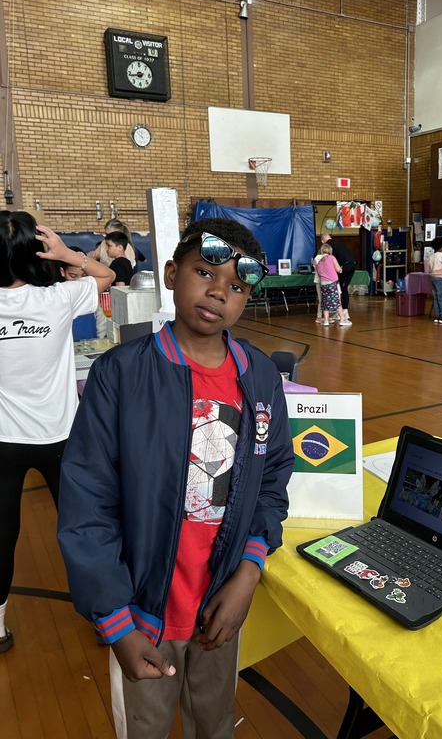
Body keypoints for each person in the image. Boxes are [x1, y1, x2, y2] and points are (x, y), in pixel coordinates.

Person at [57, 217, 295, 738]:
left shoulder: (259, 376)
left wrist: (249, 571)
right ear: (170, 272)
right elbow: (87, 502)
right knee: (145, 728)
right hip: (141, 613)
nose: (218, 291)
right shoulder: (120, 374)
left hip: (220, 608)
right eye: (205, 272)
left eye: (236, 285)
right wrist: (114, 618)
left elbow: (274, 475)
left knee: (214, 727)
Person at [0, 211, 115, 654]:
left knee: (1, 535)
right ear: (36, 252)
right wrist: (70, 254)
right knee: (84, 530)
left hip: (3, 442)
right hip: (60, 438)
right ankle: (108, 619)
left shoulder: (57, 297)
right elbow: (106, 274)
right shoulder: (59, 298)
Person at [59, 246, 108, 339]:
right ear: (62, 272)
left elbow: (101, 323)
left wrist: (99, 342)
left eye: (84, 276)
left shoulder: (89, 293)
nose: (79, 281)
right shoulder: (57, 295)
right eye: (73, 276)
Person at [320, 231, 356, 321]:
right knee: (344, 288)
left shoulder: (326, 246)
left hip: (345, 266)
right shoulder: (339, 244)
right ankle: (344, 311)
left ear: (322, 241)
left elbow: (324, 259)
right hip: (353, 264)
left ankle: (341, 312)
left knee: (340, 289)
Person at [316, 244, 351, 327]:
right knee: (337, 301)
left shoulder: (317, 260)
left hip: (323, 283)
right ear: (330, 251)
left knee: (325, 302)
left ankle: (326, 320)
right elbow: (338, 269)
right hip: (332, 283)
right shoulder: (332, 258)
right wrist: (341, 269)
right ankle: (343, 319)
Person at [312, 248, 325, 323]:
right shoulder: (317, 258)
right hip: (320, 280)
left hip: (325, 280)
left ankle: (325, 315)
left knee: (325, 299)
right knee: (321, 299)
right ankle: (319, 316)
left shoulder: (329, 257)